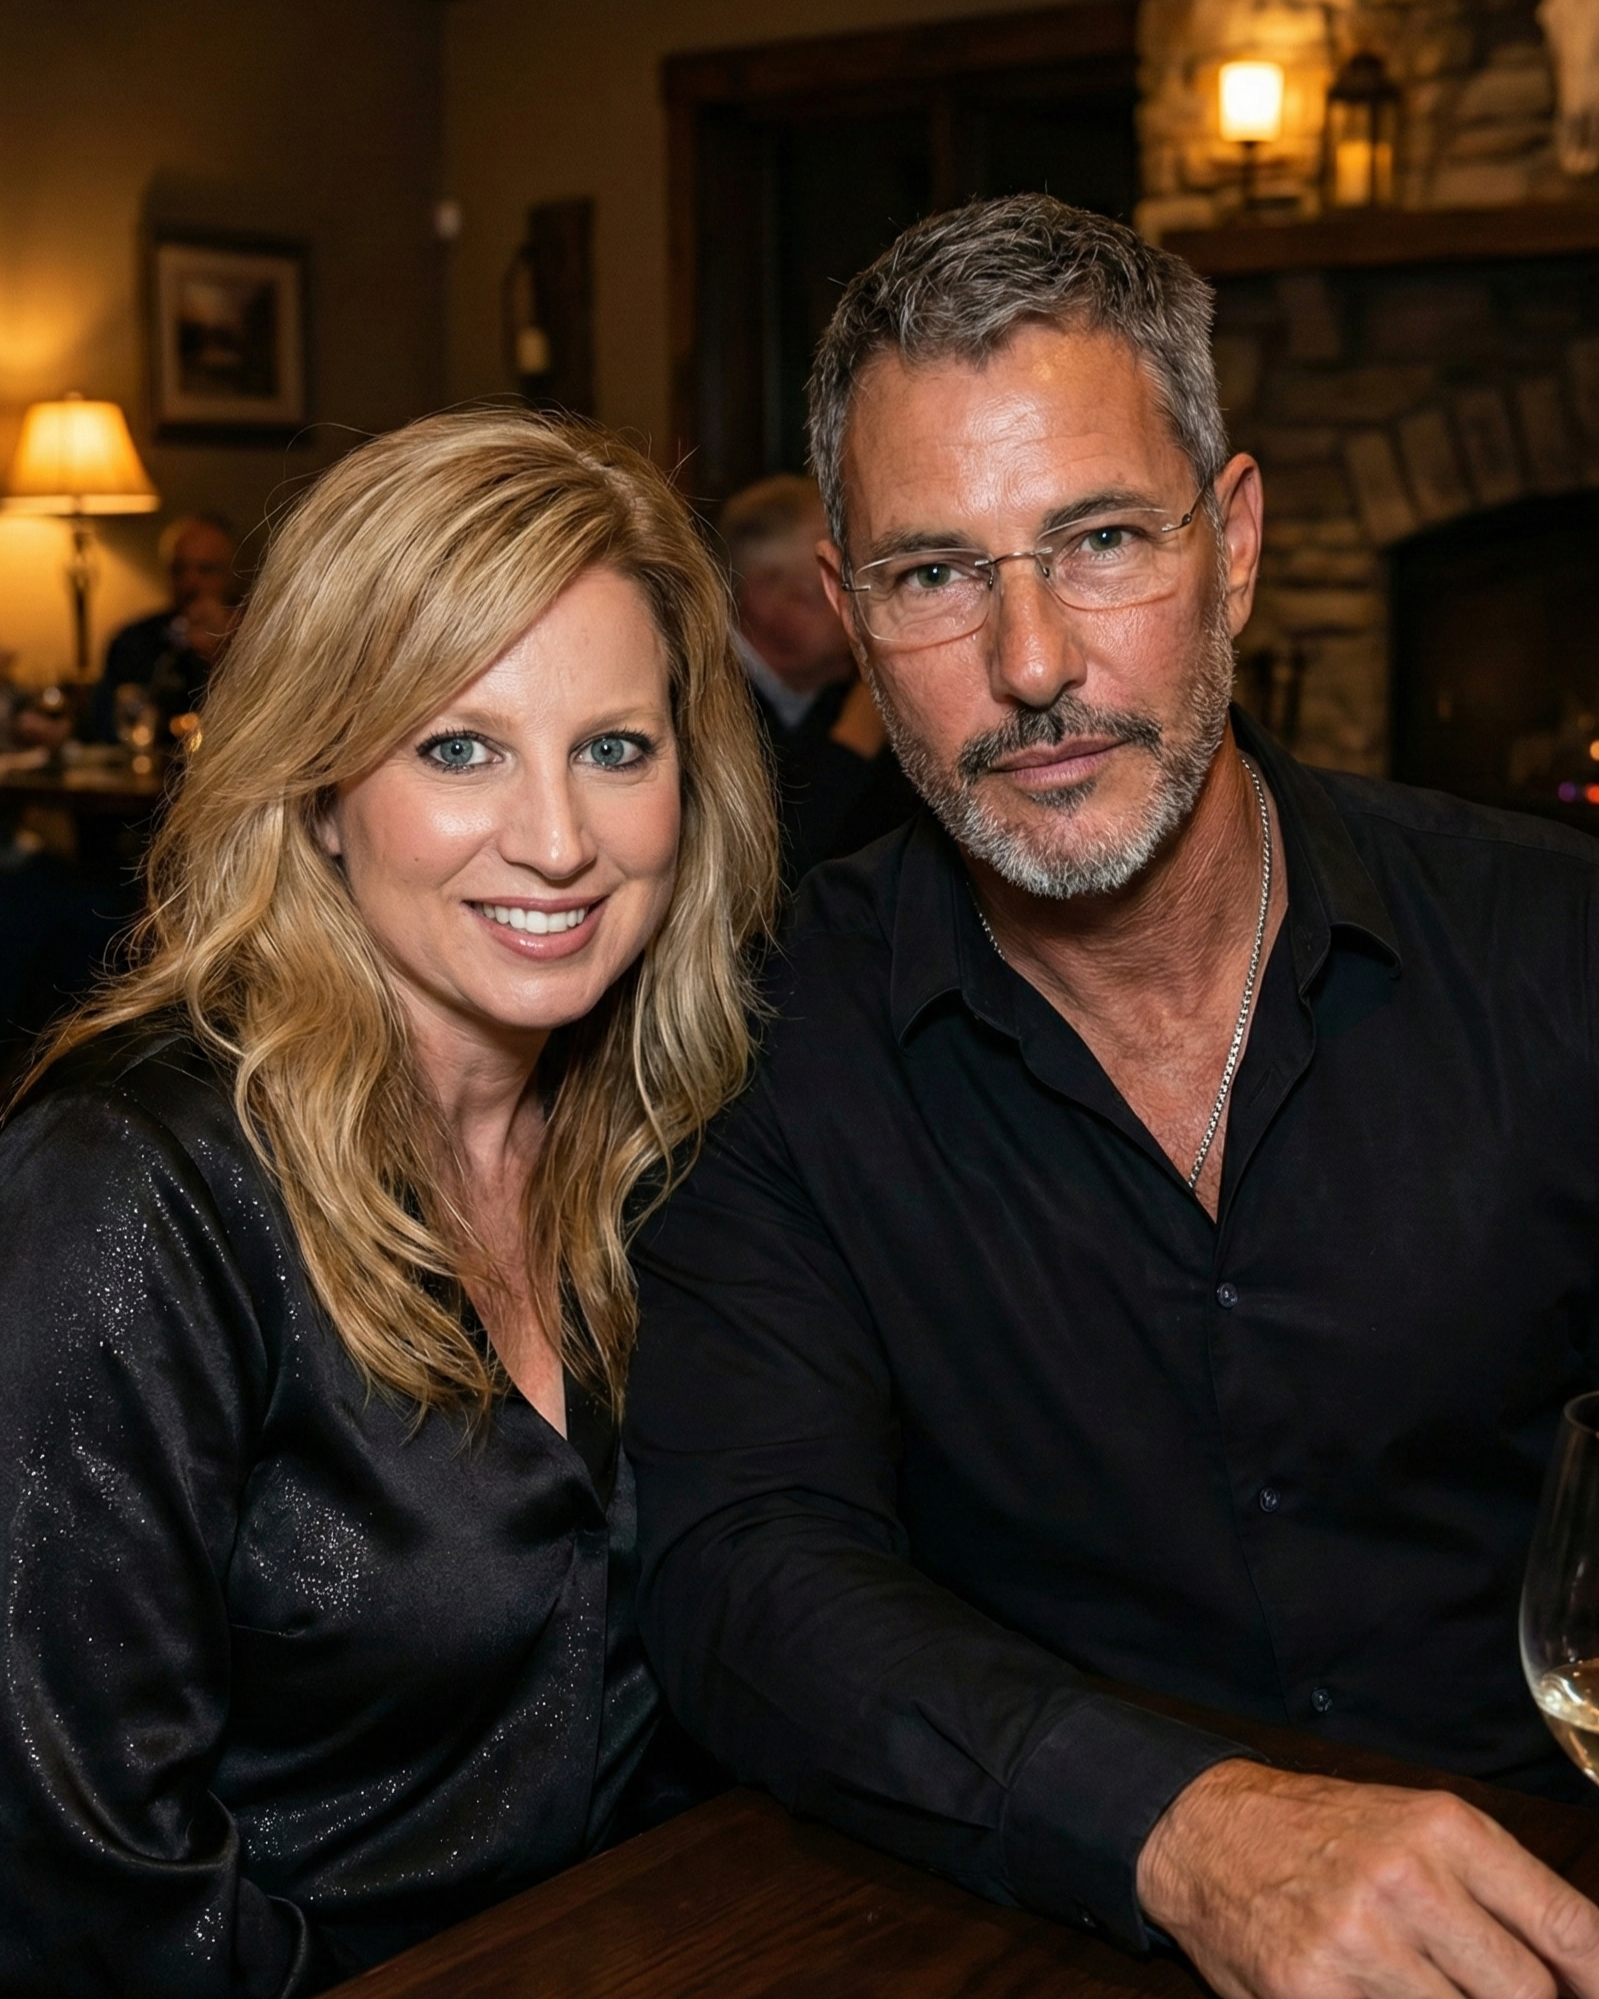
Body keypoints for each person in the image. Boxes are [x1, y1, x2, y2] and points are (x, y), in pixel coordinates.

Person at [626, 194, 1599, 1999]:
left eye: (1093, 541)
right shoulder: (764, 1029)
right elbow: (742, 1572)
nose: (1030, 665)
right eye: (933, 573)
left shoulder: (1554, 952)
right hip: (1035, 1921)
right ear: (845, 614)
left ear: (1228, 544)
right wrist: (1183, 1824)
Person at [0, 408, 776, 1995]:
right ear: (318, 784)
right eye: (459, 744)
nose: (557, 839)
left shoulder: (672, 1137)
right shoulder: (134, 1189)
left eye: (613, 748)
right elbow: (83, 1892)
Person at [720, 473, 915, 879]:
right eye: (835, 591)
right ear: (763, 598)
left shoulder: (835, 689)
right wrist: (853, 744)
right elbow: (765, 882)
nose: (859, 615)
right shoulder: (700, 702)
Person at [88, 512, 241, 744]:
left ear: (231, 574)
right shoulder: (134, 640)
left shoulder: (253, 638)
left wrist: (222, 652)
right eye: (179, 570)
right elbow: (103, 726)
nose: (191, 582)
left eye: (205, 570)